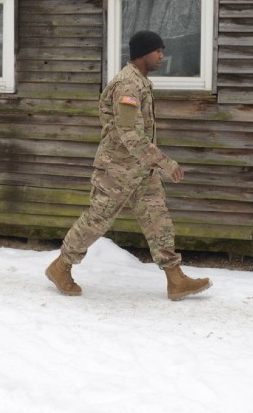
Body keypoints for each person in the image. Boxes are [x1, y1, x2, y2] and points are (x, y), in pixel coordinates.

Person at [46, 30, 212, 301]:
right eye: (157, 50)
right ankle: (61, 266)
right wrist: (165, 163)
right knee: (96, 221)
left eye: (162, 50)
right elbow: (130, 135)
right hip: (117, 170)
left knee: (158, 220)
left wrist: (154, 164)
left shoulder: (140, 82)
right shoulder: (127, 85)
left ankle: (175, 278)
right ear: (143, 53)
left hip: (142, 170)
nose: (162, 56)